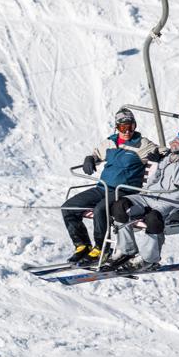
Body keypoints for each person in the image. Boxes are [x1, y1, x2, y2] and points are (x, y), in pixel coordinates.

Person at [105, 120, 179, 272]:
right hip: (152, 196)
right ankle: (126, 249)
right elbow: (159, 174)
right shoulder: (175, 153)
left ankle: (148, 259)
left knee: (153, 218)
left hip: (175, 203)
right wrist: (147, 190)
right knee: (120, 206)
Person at [61, 107, 159, 264]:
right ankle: (82, 245)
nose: (127, 131)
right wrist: (90, 158)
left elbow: (166, 153)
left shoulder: (142, 144)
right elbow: (97, 154)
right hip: (103, 188)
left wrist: (158, 155)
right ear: (117, 127)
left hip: (124, 191)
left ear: (135, 126)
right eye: (123, 127)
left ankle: (101, 249)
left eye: (131, 126)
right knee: (68, 207)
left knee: (101, 209)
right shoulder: (110, 142)